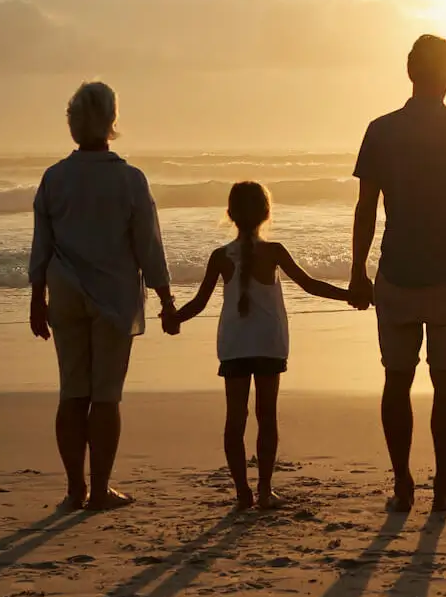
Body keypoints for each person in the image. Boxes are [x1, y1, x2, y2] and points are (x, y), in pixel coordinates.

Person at [349, 35, 446, 513]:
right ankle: (443, 487)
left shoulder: (381, 130)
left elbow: (366, 210)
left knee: (397, 379)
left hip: (396, 271)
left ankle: (402, 484)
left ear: (410, 71)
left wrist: (359, 270)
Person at [28, 81, 177, 513]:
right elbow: (149, 246)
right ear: (112, 122)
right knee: (106, 395)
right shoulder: (129, 179)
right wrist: (166, 300)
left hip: (66, 292)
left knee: (73, 391)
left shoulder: (55, 178)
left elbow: (41, 245)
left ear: (73, 123)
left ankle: (74, 489)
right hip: (114, 296)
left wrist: (37, 299)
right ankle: (99, 489)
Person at [168, 182, 350, 511]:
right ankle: (265, 491)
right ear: (267, 213)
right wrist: (351, 295)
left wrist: (173, 317)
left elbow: (198, 303)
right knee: (267, 417)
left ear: (230, 214)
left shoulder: (220, 256)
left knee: (235, 418)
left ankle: (242, 494)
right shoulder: (275, 251)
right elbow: (310, 286)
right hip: (269, 342)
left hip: (235, 344)